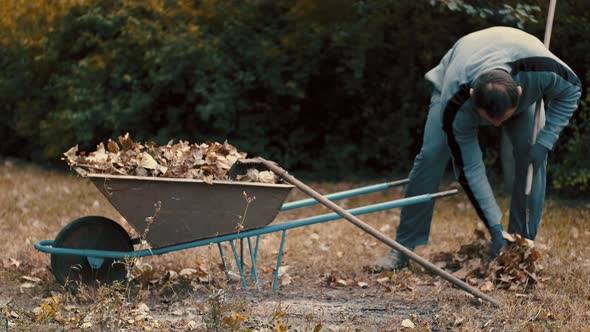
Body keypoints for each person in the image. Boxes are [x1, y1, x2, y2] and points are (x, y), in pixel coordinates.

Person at [375, 26, 582, 271]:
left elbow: (572, 91)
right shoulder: (457, 99)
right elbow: (470, 168)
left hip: (521, 88)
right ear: (473, 96)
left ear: (519, 92)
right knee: (431, 155)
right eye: (491, 120)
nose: (497, 126)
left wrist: (546, 142)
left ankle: (519, 247)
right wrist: (494, 226)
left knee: (532, 159)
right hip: (456, 81)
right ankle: (403, 247)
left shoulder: (542, 69)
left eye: (502, 119)